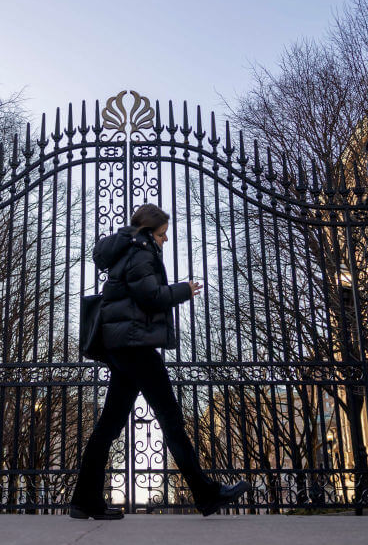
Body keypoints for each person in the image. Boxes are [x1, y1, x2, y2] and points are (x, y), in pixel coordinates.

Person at [70, 203, 249, 519]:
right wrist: (184, 289)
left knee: (109, 425)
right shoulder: (140, 252)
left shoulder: (128, 250)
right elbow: (149, 297)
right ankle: (206, 494)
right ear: (149, 232)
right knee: (170, 418)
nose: (165, 240)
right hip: (135, 345)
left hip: (124, 345)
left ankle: (84, 500)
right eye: (163, 235)